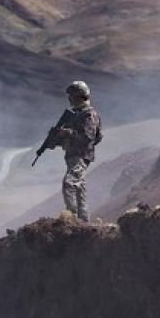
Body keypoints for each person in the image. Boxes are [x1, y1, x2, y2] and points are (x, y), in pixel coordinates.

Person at [48, 81, 102, 220]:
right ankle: (83, 221)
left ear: (79, 96)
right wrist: (55, 140)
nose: (70, 98)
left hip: (81, 155)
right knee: (79, 188)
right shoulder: (76, 114)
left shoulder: (89, 114)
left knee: (69, 183)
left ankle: (71, 218)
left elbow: (88, 137)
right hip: (73, 155)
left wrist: (68, 132)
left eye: (72, 95)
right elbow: (68, 136)